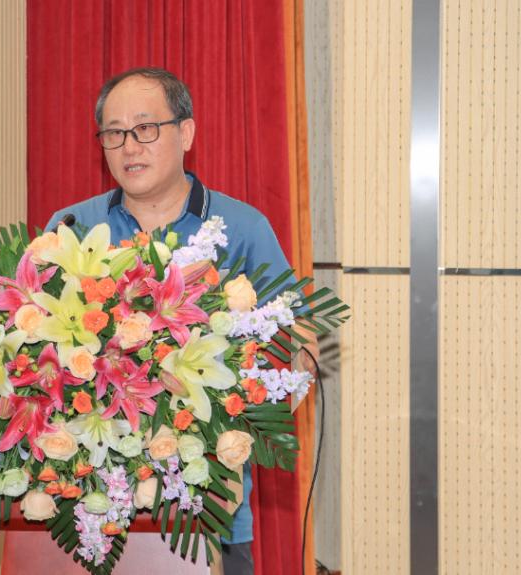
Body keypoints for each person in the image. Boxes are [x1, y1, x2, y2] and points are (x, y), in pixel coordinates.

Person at [44, 67, 318, 575]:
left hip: (208, 512)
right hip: (86, 510)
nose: (129, 146)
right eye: (114, 133)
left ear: (186, 133)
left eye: (145, 128)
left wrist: (239, 401)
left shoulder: (241, 227)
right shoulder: (72, 227)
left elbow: (300, 345)